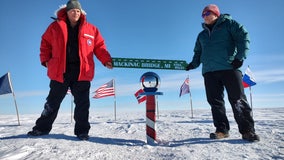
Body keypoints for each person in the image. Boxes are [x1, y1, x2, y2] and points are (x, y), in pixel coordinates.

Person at [27, 0, 113, 140]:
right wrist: (45, 60)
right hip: (60, 71)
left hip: (82, 72)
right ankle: (41, 128)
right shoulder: (55, 27)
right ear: (67, 12)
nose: (75, 13)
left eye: (78, 11)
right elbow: (45, 44)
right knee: (52, 102)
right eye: (73, 10)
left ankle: (82, 131)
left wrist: (106, 60)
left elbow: (100, 47)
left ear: (81, 12)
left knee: (82, 104)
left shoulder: (91, 29)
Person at [185, 4, 259, 142]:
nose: (204, 17)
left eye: (207, 13)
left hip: (229, 68)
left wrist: (240, 57)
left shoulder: (229, 25)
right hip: (209, 72)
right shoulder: (201, 35)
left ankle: (248, 131)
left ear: (215, 13)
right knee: (215, 102)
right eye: (203, 15)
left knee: (238, 99)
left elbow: (243, 37)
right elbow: (198, 52)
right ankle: (221, 130)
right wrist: (193, 64)